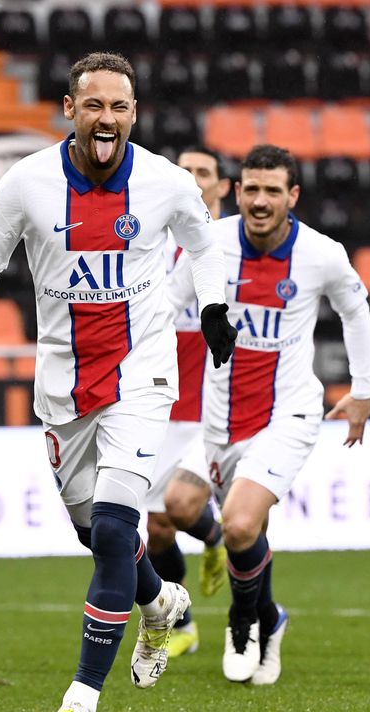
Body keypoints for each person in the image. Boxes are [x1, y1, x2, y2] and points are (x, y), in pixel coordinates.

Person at [0, 52, 235, 712]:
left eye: (119, 106)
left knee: (120, 527)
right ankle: (159, 603)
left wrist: (212, 309)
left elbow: (204, 243)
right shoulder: (26, 182)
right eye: (94, 105)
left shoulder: (166, 182)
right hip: (63, 387)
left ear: (134, 114)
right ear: (70, 110)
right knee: (97, 537)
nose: (107, 118)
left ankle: (78, 704)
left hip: (142, 378)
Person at [171, 144, 370, 686]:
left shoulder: (321, 254)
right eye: (252, 189)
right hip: (219, 420)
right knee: (193, 510)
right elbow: (167, 306)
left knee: (238, 522)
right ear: (237, 192)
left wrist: (363, 389)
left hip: (289, 413)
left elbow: (356, 308)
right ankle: (270, 616)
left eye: (273, 191)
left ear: (293, 196)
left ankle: (242, 622)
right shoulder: (210, 244)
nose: (261, 201)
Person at [144, 145, 233, 659]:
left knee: (180, 506)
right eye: (186, 172)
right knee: (156, 527)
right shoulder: (155, 247)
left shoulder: (234, 248)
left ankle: (225, 546)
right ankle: (183, 624)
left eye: (204, 173)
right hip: (161, 407)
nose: (195, 180)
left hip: (215, 410)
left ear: (223, 187)